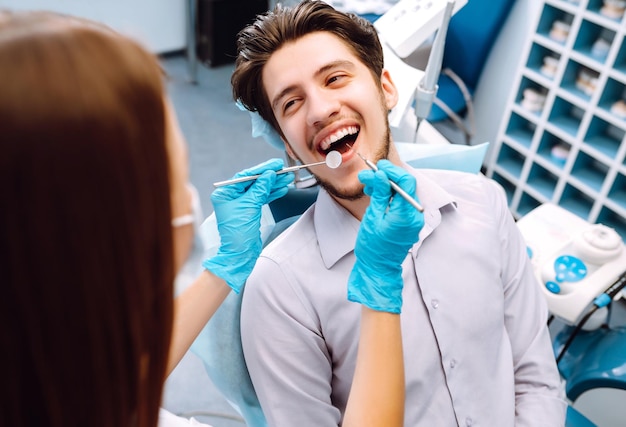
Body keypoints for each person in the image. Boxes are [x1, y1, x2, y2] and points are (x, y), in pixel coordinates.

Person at [0, 9, 422, 427]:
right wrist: (380, 294)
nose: (189, 201)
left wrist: (223, 270)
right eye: (173, 180)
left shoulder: (45, 382)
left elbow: (102, 389)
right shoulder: (281, 287)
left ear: (386, 87)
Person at [232, 1, 568, 426]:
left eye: (335, 78)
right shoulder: (279, 291)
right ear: (287, 147)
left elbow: (536, 379)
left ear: (386, 88)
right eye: (292, 103)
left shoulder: (486, 203)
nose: (320, 111)